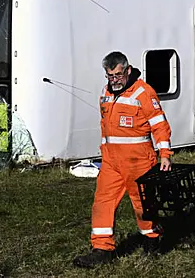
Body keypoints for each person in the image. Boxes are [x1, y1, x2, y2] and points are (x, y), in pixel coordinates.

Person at [73, 51, 173, 268]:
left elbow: (159, 125)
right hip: (111, 161)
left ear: (128, 70)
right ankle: (101, 249)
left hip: (139, 161)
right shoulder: (106, 92)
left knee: (142, 205)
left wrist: (165, 154)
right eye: (109, 76)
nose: (114, 80)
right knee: (102, 202)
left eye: (118, 75)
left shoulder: (143, 93)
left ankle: (152, 238)